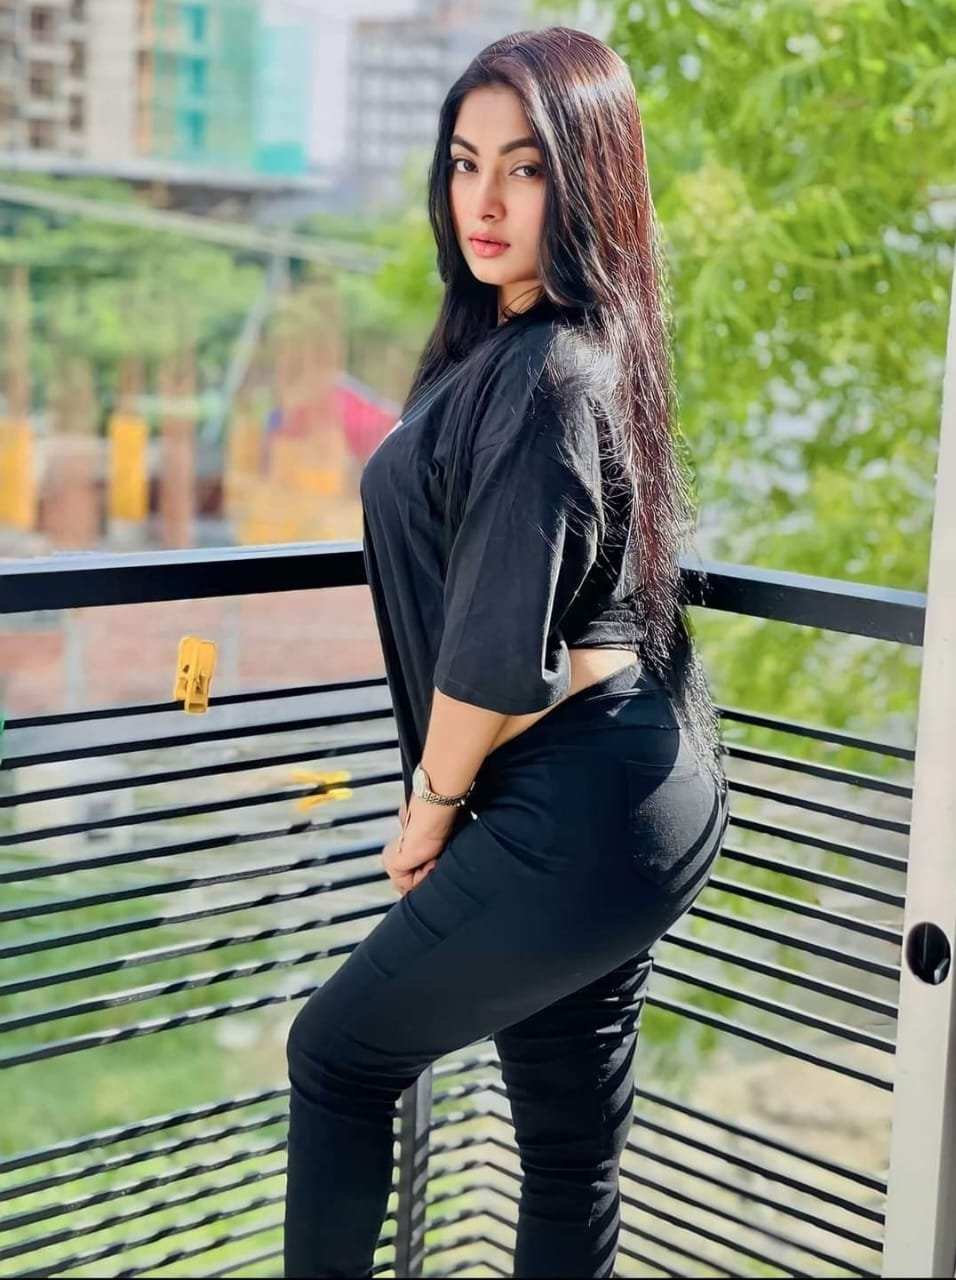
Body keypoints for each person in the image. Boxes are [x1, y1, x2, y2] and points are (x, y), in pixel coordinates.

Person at [283, 25, 730, 1279]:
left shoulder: (548, 367)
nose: (482, 200)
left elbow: (493, 642)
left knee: (335, 1053)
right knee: (568, 1151)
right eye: (464, 162)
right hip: (616, 789)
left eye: (524, 168)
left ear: (584, 180)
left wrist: (426, 810)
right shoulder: (522, 348)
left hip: (579, 795)